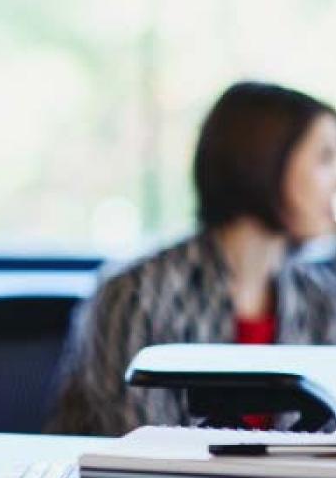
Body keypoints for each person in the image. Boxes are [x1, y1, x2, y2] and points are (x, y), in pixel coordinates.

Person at [49, 80, 336, 436]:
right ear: (264, 160)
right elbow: (148, 453)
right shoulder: (138, 292)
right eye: (325, 158)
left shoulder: (321, 297)